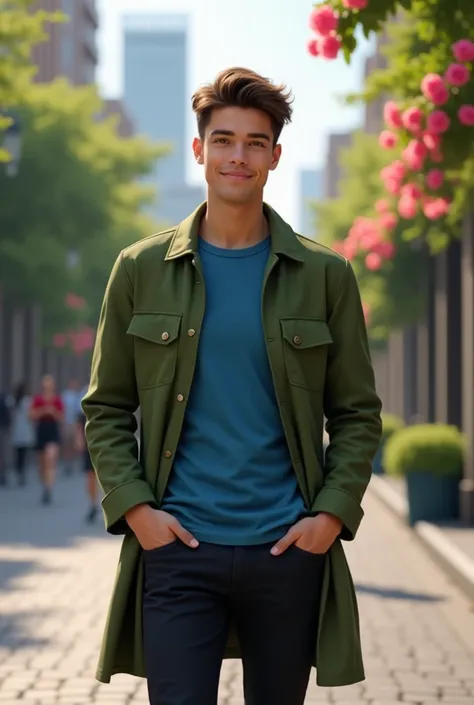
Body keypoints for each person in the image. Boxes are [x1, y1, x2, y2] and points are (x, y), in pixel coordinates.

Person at [83, 67, 382, 705]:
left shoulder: (326, 275)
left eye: (254, 142)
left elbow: (357, 413)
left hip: (287, 548)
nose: (237, 156)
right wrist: (137, 510)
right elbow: (107, 407)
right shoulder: (139, 269)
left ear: (275, 156)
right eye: (223, 140)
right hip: (178, 547)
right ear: (199, 150)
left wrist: (329, 518)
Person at [30, 374, 64, 505]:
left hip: (53, 429)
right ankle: (44, 485)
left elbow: (61, 417)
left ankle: (49, 488)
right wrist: (43, 411)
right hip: (41, 429)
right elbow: (31, 416)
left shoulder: (57, 400)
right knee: (42, 462)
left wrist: (53, 412)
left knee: (50, 459)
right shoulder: (38, 399)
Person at [74, 404, 99, 523]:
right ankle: (93, 504)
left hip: (107, 443)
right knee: (90, 476)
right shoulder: (87, 397)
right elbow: (80, 420)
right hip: (89, 443)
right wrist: (79, 438)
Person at [10, 381, 35, 486]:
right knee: (24, 454)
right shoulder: (28, 401)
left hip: (17, 430)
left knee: (18, 454)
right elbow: (31, 416)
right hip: (25, 430)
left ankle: (19, 471)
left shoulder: (13, 401)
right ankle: (22, 473)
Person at [61, 378, 81, 475]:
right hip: (66, 422)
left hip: (74, 423)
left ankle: (71, 463)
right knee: (66, 444)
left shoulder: (77, 396)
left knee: (73, 444)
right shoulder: (66, 395)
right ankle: (66, 463)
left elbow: (78, 411)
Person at [0, 390, 11, 486]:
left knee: (2, 453)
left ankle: (2, 475)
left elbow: (7, 414)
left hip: (2, 428)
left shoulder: (3, 398)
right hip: (3, 428)